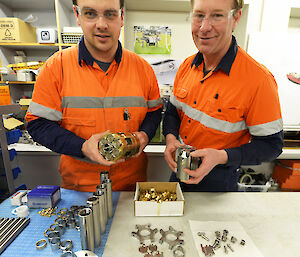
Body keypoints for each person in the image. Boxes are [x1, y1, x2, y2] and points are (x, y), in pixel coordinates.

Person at [25, 0, 163, 192]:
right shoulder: (56, 67)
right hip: (79, 190)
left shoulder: (143, 69)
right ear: (77, 15)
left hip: (132, 188)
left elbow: (155, 112)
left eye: (110, 14)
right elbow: (38, 124)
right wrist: (82, 146)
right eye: (90, 14)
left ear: (121, 17)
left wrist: (144, 135)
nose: (101, 24)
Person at [163, 0, 283, 192]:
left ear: (236, 18)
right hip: (179, 173)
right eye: (199, 15)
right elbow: (171, 113)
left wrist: (221, 156)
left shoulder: (259, 80)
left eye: (217, 16)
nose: (204, 27)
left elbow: (271, 146)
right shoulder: (186, 66)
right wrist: (171, 140)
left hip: (220, 185)